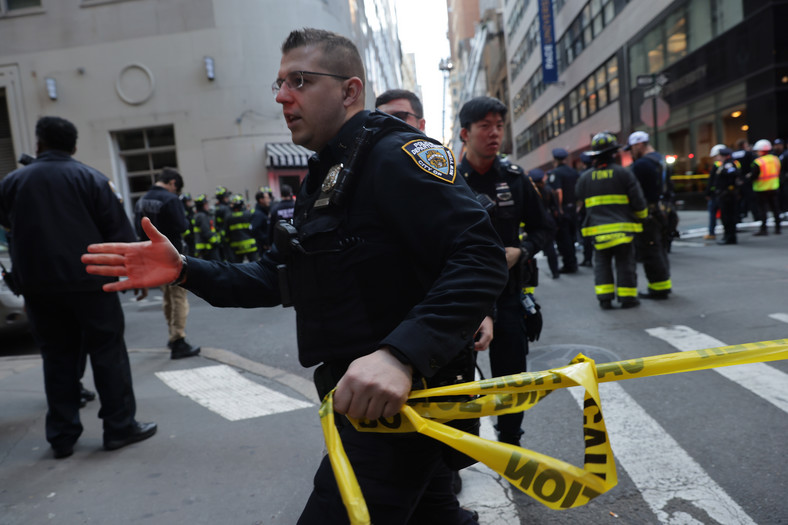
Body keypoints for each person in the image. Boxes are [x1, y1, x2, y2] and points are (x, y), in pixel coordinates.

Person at [82, 28, 507, 524]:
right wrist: (183, 269)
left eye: (300, 81)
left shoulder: (393, 156)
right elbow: (276, 276)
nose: (283, 96)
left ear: (349, 91)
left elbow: (480, 254)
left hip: (397, 408)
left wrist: (401, 355)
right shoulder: (328, 174)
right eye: (279, 83)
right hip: (369, 405)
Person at [0, 116, 156, 459]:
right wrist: (134, 273)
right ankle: (118, 427)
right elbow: (118, 232)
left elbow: (7, 224)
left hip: (39, 287)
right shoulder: (91, 178)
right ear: (73, 147)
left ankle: (62, 435)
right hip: (92, 283)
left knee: (57, 357)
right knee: (107, 353)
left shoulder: (12, 182)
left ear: (39, 144)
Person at [457, 96, 548, 446]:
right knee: (460, 380)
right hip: (462, 298)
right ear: (466, 133)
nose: (495, 133)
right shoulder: (449, 181)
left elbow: (544, 228)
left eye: (499, 126)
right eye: (485, 126)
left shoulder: (515, 178)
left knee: (512, 378)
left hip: (509, 297)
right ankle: (457, 457)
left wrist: (521, 251)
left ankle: (511, 442)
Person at [575, 132, 647, 310]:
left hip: (598, 232)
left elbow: (578, 199)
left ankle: (605, 299)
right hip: (623, 231)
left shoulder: (585, 178)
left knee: (601, 264)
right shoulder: (624, 173)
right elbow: (638, 201)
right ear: (614, 153)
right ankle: (627, 298)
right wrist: (643, 217)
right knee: (625, 263)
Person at [134, 167, 201, 359]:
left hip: (152, 256)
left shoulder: (142, 200)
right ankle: (178, 340)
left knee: (167, 298)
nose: (176, 192)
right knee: (179, 297)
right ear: (172, 183)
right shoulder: (170, 200)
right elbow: (182, 226)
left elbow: (138, 230)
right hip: (172, 256)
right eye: (176, 189)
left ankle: (172, 334)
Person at [625, 131, 672, 300]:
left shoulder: (641, 165)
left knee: (650, 250)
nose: (631, 152)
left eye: (631, 148)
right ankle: (664, 283)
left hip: (649, 213)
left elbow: (636, 193)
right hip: (663, 211)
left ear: (639, 145)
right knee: (659, 248)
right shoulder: (660, 159)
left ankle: (658, 288)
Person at [547, 147, 580, 273]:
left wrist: (559, 209)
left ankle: (569, 264)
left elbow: (558, 191)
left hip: (564, 210)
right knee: (572, 237)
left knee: (564, 238)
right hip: (573, 208)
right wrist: (578, 206)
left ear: (555, 159)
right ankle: (573, 262)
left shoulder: (555, 173)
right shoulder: (573, 172)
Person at [529, 168, 560, 278]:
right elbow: (555, 208)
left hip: (533, 223)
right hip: (548, 221)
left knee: (530, 248)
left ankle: (529, 277)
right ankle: (555, 271)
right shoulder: (548, 190)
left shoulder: (530, 191)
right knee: (550, 247)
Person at [710, 146, 742, 245]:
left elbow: (732, 174)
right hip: (724, 195)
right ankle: (728, 236)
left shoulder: (729, 164)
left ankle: (730, 237)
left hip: (728, 195)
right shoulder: (723, 164)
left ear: (724, 156)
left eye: (719, 155)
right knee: (725, 217)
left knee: (728, 217)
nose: (717, 157)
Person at [750, 139, 782, 235]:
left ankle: (764, 229)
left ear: (760, 151)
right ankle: (778, 228)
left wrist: (748, 178)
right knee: (775, 209)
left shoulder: (758, 162)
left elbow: (754, 175)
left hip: (761, 189)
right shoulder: (775, 159)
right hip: (774, 187)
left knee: (762, 210)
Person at [226, 194, 260, 262]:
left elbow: (226, 234)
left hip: (237, 248)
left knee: (239, 269)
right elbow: (255, 229)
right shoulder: (248, 214)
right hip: (251, 246)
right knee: (255, 267)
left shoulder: (229, 217)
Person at [705, 144, 726, 240]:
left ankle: (711, 233)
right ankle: (726, 231)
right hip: (725, 194)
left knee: (713, 213)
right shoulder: (732, 163)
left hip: (715, 194)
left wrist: (708, 193)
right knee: (724, 214)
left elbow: (711, 181)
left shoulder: (717, 165)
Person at [732, 139, 756, 221]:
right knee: (752, 199)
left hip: (738, 180)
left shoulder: (733, 154)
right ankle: (757, 217)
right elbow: (754, 164)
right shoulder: (748, 153)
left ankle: (738, 218)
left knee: (738, 201)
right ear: (744, 145)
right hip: (747, 179)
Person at [192, 194, 221, 260]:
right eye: (206, 204)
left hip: (205, 249)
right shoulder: (202, 216)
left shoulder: (199, 215)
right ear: (202, 206)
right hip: (207, 248)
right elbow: (206, 232)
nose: (208, 206)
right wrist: (216, 241)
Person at [251, 186, 273, 253]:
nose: (269, 200)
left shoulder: (264, 212)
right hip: (262, 247)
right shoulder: (259, 214)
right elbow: (255, 229)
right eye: (267, 198)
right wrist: (265, 242)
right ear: (261, 200)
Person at [214, 186, 233, 260]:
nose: (228, 198)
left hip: (220, 235)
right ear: (222, 198)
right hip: (227, 236)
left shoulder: (216, 207)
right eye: (226, 197)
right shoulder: (225, 209)